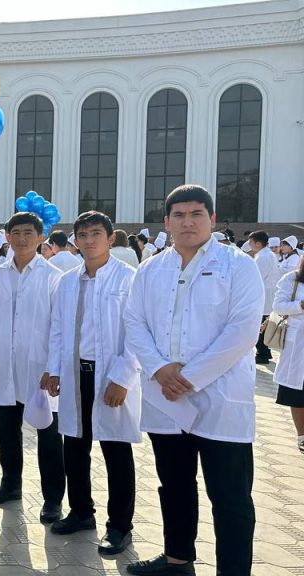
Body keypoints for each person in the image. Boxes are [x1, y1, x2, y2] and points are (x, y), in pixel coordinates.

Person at [124, 185, 264, 576]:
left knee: (230, 496)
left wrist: (187, 377)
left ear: (212, 219)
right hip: (166, 399)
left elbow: (242, 330)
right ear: (166, 222)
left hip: (220, 400)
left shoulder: (238, 266)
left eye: (197, 214)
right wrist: (158, 368)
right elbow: (134, 321)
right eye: (179, 215)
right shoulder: (151, 269)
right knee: (174, 485)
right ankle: (177, 560)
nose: (188, 222)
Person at [44, 211, 140, 556]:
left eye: (96, 234)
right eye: (82, 235)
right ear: (75, 241)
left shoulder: (128, 279)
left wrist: (123, 377)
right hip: (75, 373)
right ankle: (81, 511)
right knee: (75, 446)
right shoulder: (68, 281)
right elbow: (58, 328)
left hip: (111, 374)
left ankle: (120, 526)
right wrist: (54, 369)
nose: (89, 241)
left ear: (110, 238)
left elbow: (139, 333)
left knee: (116, 450)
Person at [0, 212, 65, 523]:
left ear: (41, 237)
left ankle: (53, 499)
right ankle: (11, 485)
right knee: (6, 431)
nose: (22, 238)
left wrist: (54, 367)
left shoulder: (53, 276)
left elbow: (59, 327)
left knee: (48, 435)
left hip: (41, 369)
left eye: (29, 232)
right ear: (7, 237)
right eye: (16, 232)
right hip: (6, 366)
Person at [273, 257, 304, 454]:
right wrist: (301, 305)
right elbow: (278, 306)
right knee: (297, 394)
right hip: (297, 349)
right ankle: (302, 436)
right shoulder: (291, 279)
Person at [250, 230, 282, 364]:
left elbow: (256, 278)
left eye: (251, 242)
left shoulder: (263, 257)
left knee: (261, 325)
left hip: (264, 294)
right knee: (264, 324)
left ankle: (262, 353)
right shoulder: (267, 254)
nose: (250, 245)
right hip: (268, 294)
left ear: (257, 243)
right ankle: (264, 352)